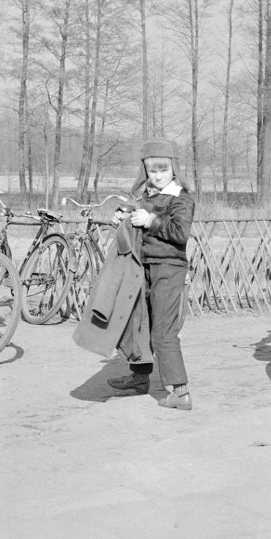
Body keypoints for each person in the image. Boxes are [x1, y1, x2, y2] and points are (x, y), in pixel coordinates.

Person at [107, 138, 195, 410]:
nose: (158, 176)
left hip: (169, 269)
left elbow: (180, 234)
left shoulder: (181, 197)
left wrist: (150, 221)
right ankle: (140, 378)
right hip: (142, 267)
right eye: (152, 170)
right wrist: (123, 218)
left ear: (174, 169)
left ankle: (180, 392)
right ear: (144, 170)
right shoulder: (146, 196)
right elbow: (138, 218)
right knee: (139, 322)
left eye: (163, 169)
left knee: (163, 331)